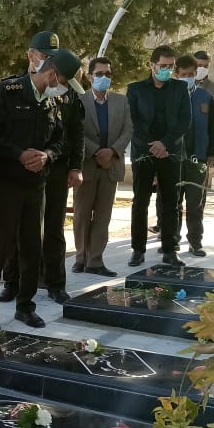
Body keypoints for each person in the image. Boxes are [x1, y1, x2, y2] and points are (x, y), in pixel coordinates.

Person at [0, 49, 84, 333]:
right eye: (64, 81)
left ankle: (25, 307)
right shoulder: (8, 91)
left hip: (37, 185)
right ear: (52, 75)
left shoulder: (54, 100)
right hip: (7, 183)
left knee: (31, 246)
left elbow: (60, 140)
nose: (64, 88)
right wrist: (18, 153)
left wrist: (47, 156)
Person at [0, 31, 74, 304]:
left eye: (54, 57)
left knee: (53, 228)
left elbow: (72, 133)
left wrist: (69, 164)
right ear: (31, 55)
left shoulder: (64, 89)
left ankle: (55, 282)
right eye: (45, 55)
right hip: (19, 172)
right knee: (17, 229)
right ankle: (12, 281)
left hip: (54, 168)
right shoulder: (11, 89)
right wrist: (20, 156)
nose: (51, 62)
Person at [126, 45, 191, 268]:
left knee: (171, 203)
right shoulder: (136, 89)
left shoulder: (180, 88)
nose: (166, 70)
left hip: (170, 152)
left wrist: (165, 143)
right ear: (152, 65)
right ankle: (138, 250)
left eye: (170, 66)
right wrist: (152, 145)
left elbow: (185, 121)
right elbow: (132, 121)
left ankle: (170, 250)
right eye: (162, 66)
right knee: (140, 202)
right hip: (143, 153)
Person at [74, 56, 132, 278]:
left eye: (108, 74)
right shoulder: (79, 101)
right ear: (90, 77)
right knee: (81, 214)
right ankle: (80, 257)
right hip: (87, 165)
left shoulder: (120, 101)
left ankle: (95, 260)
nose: (104, 78)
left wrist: (112, 151)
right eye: (99, 74)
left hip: (111, 166)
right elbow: (76, 131)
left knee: (103, 216)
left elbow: (128, 129)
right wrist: (96, 151)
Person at [169, 55, 214, 257]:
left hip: (197, 159)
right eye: (184, 75)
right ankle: (172, 242)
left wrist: (212, 152)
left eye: (191, 74)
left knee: (195, 204)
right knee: (172, 204)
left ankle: (195, 242)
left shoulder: (205, 97)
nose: (188, 78)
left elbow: (213, 127)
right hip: (173, 159)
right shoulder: (168, 97)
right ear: (176, 74)